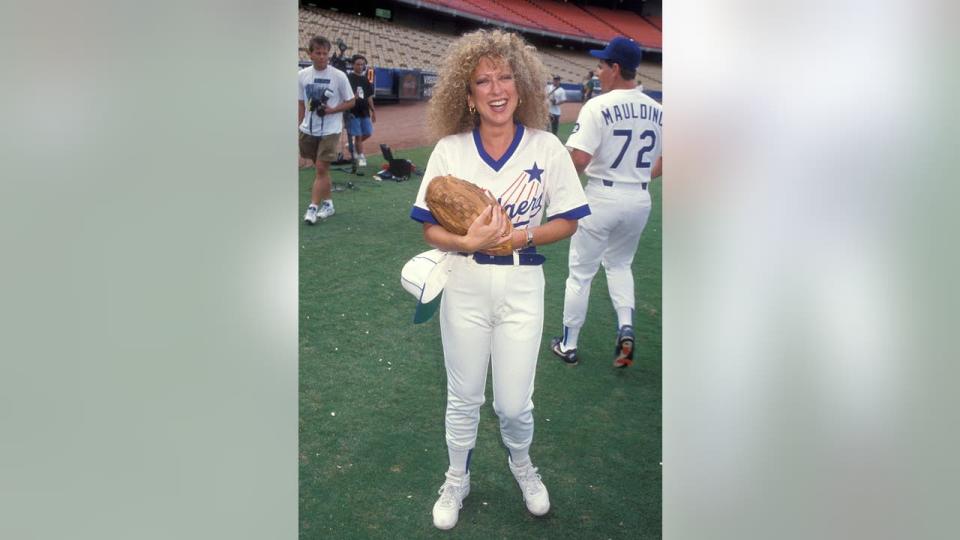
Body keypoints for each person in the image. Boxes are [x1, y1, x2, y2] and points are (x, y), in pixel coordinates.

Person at [409, 29, 590, 530]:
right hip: (465, 283)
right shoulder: (449, 150)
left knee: (513, 403)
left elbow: (569, 218)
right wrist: (465, 242)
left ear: (521, 86)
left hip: (522, 284)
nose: (496, 89)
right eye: (483, 81)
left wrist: (523, 237)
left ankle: (521, 463)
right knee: (464, 395)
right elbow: (428, 225)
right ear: (467, 96)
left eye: (505, 77)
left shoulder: (547, 147)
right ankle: (456, 476)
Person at [550, 36, 663, 368]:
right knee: (620, 265)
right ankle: (625, 325)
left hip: (601, 195)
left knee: (581, 274)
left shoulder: (598, 105)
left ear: (615, 68)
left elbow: (580, 159)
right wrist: (636, 176)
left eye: (602, 65)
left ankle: (568, 344)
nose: (598, 71)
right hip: (639, 197)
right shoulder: (659, 110)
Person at [299, 35, 355, 224]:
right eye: (318, 53)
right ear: (310, 54)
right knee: (320, 171)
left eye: (325, 53)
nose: (322, 57)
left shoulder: (338, 76)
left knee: (321, 169)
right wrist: (299, 125)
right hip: (309, 129)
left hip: (330, 130)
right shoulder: (302, 75)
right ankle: (329, 204)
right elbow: (301, 104)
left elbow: (351, 101)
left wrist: (332, 110)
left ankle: (313, 208)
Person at [346, 54, 376, 167]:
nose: (360, 66)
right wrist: (353, 97)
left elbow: (369, 96)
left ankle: (353, 145)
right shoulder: (348, 78)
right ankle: (361, 156)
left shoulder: (365, 79)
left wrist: (373, 111)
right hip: (353, 112)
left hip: (364, 111)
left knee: (368, 133)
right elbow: (345, 95)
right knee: (358, 135)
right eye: (358, 64)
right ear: (353, 65)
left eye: (362, 65)